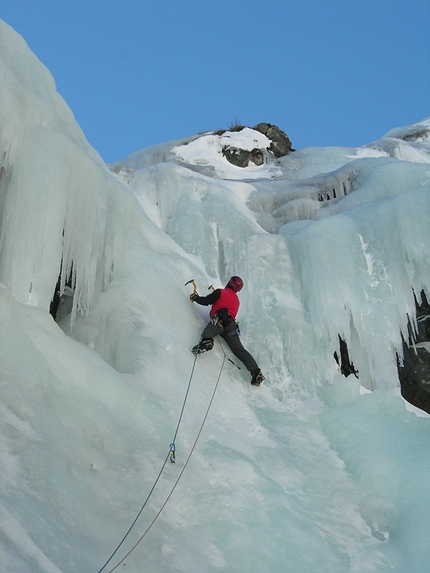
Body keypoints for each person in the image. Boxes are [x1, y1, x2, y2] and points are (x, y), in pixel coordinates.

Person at [190, 276, 265, 386]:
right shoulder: (237, 301)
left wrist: (195, 297)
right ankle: (256, 372)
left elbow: (206, 301)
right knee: (240, 350)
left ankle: (207, 341)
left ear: (229, 283)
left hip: (218, 322)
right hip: (230, 327)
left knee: (209, 330)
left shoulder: (220, 292)